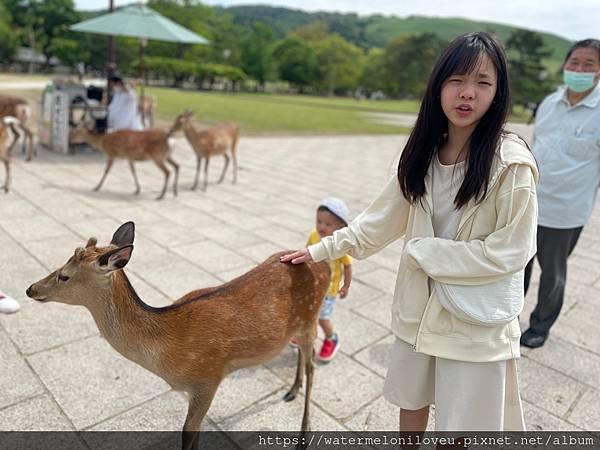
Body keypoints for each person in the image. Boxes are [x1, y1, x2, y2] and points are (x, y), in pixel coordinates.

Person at [281, 32, 537, 431]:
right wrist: (319, 251)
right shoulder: (423, 154)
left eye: (482, 83)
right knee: (411, 400)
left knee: (461, 425)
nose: (467, 93)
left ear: (498, 92)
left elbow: (512, 251)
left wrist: (425, 252)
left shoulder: (511, 164)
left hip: (473, 319)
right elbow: (376, 222)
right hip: (419, 308)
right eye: (456, 80)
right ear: (438, 86)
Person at [520, 39, 600, 349]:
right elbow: (535, 147)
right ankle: (508, 318)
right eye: (574, 63)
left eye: (588, 64)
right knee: (517, 265)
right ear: (565, 66)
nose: (579, 69)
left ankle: (540, 325)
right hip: (529, 203)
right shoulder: (549, 103)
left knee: (552, 274)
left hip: (566, 212)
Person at [293, 197, 352, 362]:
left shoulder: (341, 244)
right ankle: (305, 335)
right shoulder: (314, 235)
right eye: (319, 221)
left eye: (327, 224)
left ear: (340, 227)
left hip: (329, 290)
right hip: (313, 285)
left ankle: (331, 338)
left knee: (322, 317)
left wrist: (346, 286)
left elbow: (347, 266)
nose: (321, 226)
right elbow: (307, 252)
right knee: (306, 313)